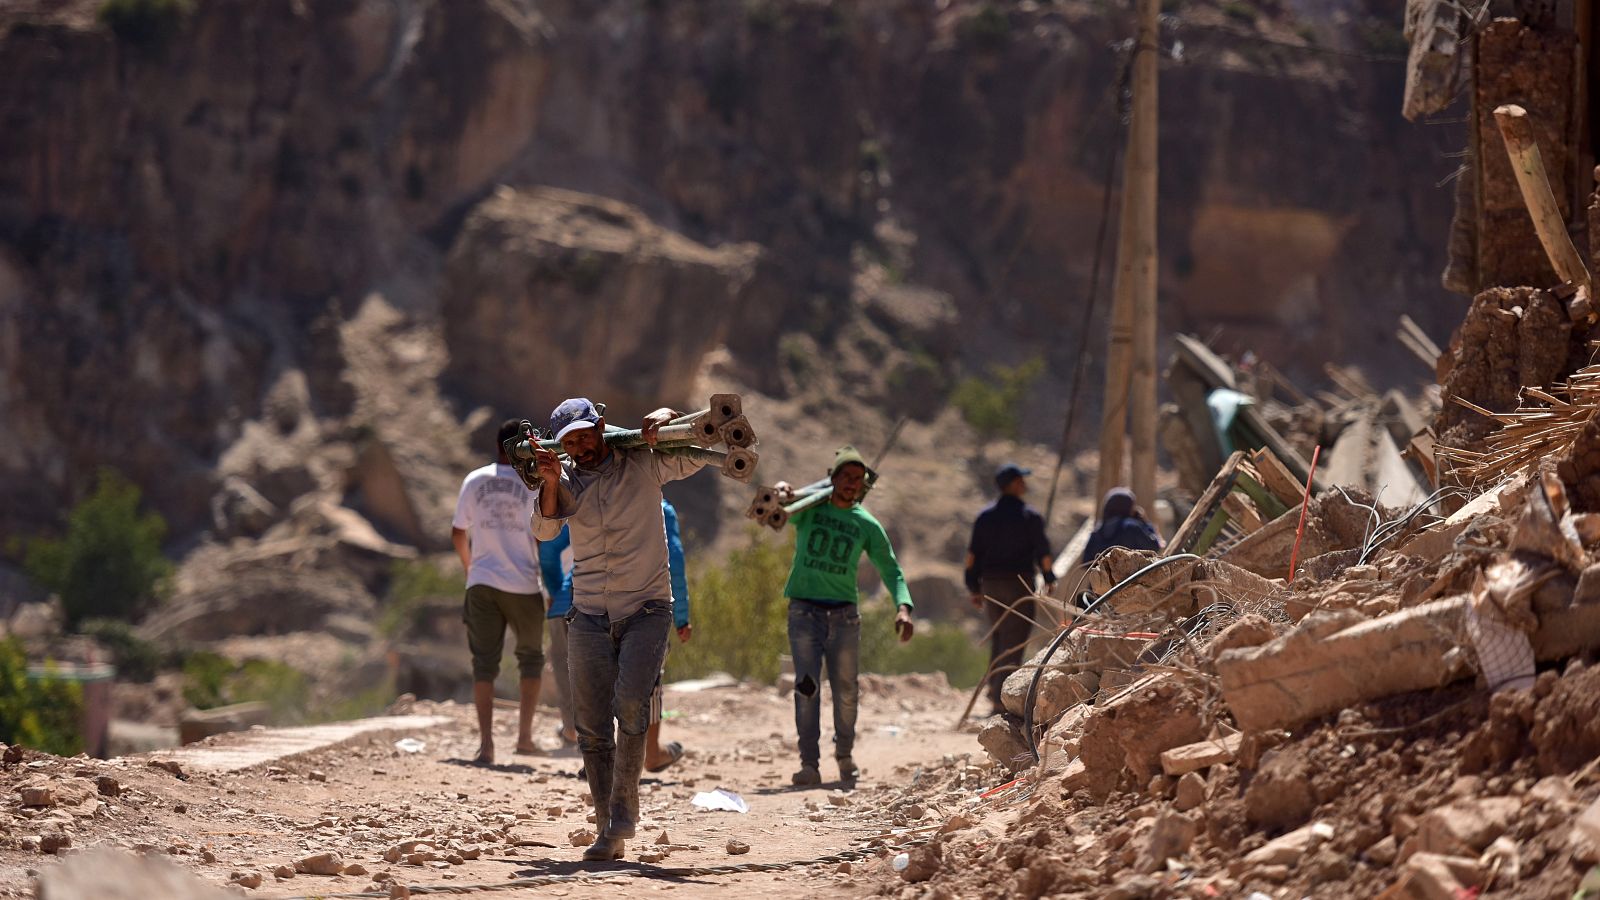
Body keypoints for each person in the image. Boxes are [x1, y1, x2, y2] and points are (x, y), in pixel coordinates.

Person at [529, 398, 710, 862]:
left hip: (647, 609)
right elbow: (546, 532)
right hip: (587, 613)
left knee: (632, 705)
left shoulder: (643, 461)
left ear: (602, 427)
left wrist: (668, 415)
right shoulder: (565, 480)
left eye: (587, 434)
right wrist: (549, 480)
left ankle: (622, 813)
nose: (581, 446)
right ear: (561, 445)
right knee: (589, 726)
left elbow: (697, 450)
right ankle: (607, 824)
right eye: (571, 441)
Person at [778, 445, 914, 787]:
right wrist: (782, 491)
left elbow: (892, 569)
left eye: (859, 479)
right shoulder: (809, 510)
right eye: (846, 477)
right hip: (804, 611)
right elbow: (778, 510)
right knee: (806, 687)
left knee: (847, 690)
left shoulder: (866, 524)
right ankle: (809, 763)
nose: (852, 483)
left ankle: (845, 756)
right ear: (833, 478)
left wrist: (903, 607)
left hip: (844, 617)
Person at [451, 419, 548, 766]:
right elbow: (543, 536)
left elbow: (458, 532)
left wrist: (470, 569)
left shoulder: (475, 480)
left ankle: (487, 746)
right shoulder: (535, 484)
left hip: (482, 584)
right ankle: (524, 738)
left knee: (484, 666)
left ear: (497, 446)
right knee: (531, 660)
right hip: (524, 584)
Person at [965, 463, 1055, 715]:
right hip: (1019, 583)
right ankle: (1002, 699)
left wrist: (973, 586)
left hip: (991, 584)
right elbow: (1043, 551)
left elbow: (973, 556)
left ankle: (995, 690)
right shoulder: (1031, 516)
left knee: (1000, 635)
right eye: (1021, 480)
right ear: (1014, 484)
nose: (1025, 484)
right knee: (1015, 640)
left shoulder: (985, 517)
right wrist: (1048, 576)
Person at [645, 498, 691, 772]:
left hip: (596, 603)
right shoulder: (661, 508)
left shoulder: (597, 491)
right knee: (649, 685)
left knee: (602, 680)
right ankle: (652, 753)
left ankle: (600, 758)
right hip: (650, 606)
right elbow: (675, 560)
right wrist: (683, 616)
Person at [537, 525, 577, 746]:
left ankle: (571, 728)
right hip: (596, 602)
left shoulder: (566, 518)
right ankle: (593, 728)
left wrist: (553, 591)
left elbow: (548, 552)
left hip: (561, 601)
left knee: (563, 666)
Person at [1081, 486, 1164, 566]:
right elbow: (1154, 547)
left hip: (1103, 579)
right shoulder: (1131, 526)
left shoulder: (1098, 530)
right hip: (1132, 578)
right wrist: (1146, 523)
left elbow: (1086, 561)